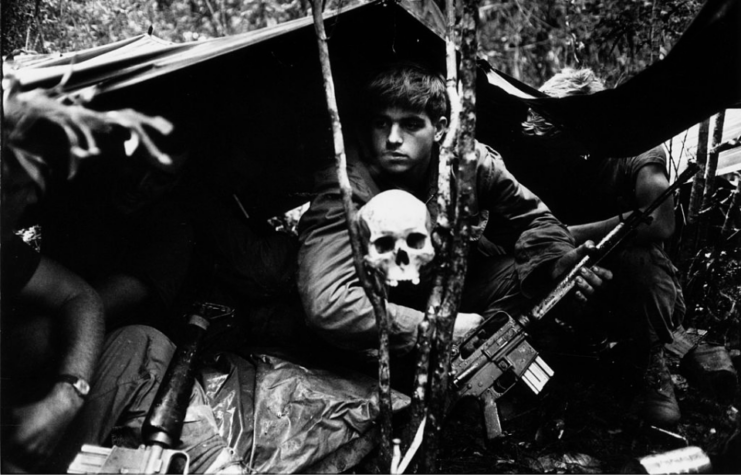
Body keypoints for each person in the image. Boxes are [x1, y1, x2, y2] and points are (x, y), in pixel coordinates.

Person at [297, 62, 611, 388]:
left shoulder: (468, 164)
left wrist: (557, 263)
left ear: (440, 128)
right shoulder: (345, 190)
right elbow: (328, 303)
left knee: (526, 278)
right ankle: (427, 381)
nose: (393, 139)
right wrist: (437, 327)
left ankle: (476, 374)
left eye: (410, 124)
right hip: (388, 323)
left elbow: (534, 217)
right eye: (382, 124)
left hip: (452, 290)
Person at [520, 68, 737, 428]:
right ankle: (679, 353)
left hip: (642, 286)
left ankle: (656, 375)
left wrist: (568, 233)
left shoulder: (634, 149)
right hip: (580, 284)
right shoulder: (550, 157)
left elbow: (661, 221)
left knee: (640, 259)